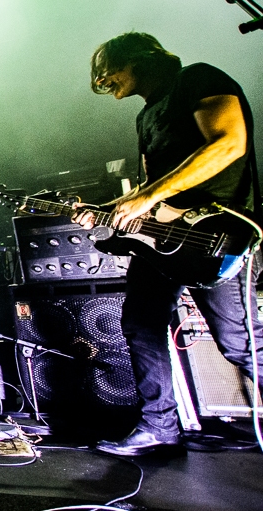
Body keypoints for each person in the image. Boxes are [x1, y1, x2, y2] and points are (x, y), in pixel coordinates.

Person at [73, 32, 263, 456]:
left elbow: (230, 143)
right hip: (163, 239)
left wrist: (148, 196)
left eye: (109, 72)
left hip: (217, 233)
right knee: (141, 323)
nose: (105, 83)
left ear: (137, 60)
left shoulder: (197, 79)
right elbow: (153, 188)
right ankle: (160, 427)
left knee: (237, 342)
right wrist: (107, 209)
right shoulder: (147, 115)